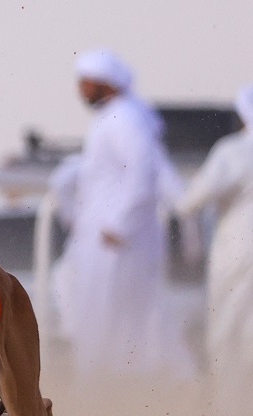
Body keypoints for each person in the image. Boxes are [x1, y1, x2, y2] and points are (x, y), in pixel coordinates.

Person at [51, 49, 188, 378]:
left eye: (85, 83)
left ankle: (113, 398)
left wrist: (120, 225)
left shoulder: (125, 118)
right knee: (96, 322)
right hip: (104, 239)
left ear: (104, 83)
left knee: (115, 326)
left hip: (118, 242)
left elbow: (144, 175)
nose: (80, 91)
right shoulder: (114, 118)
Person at [177, 86, 253, 390]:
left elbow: (190, 201)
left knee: (228, 330)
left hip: (240, 251)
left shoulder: (235, 150)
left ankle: (231, 415)